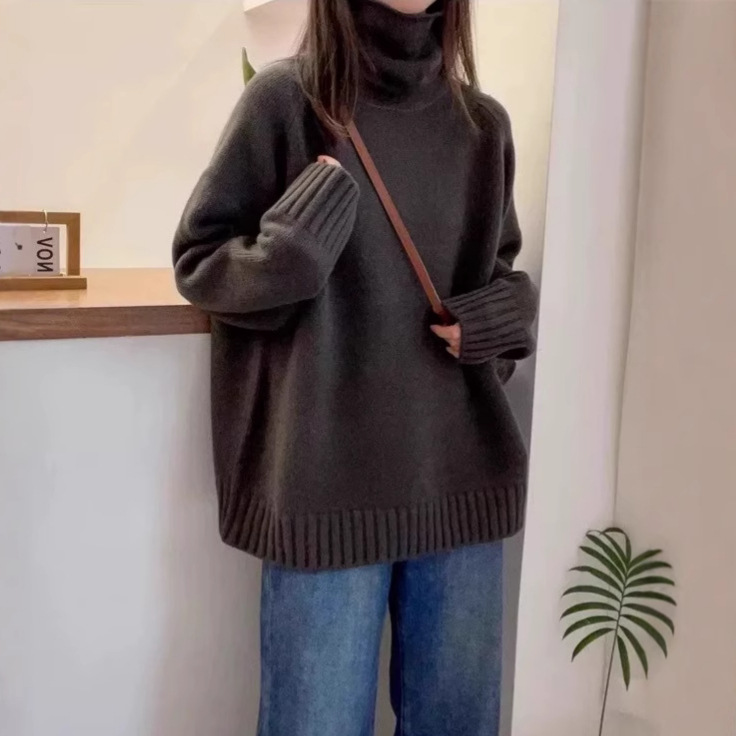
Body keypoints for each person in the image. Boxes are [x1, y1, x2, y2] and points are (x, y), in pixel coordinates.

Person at [173, 0, 538, 733]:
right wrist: (293, 252)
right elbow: (201, 263)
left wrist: (499, 316)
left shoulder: (482, 127)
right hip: (325, 485)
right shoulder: (285, 102)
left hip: (458, 480)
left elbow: (502, 275)